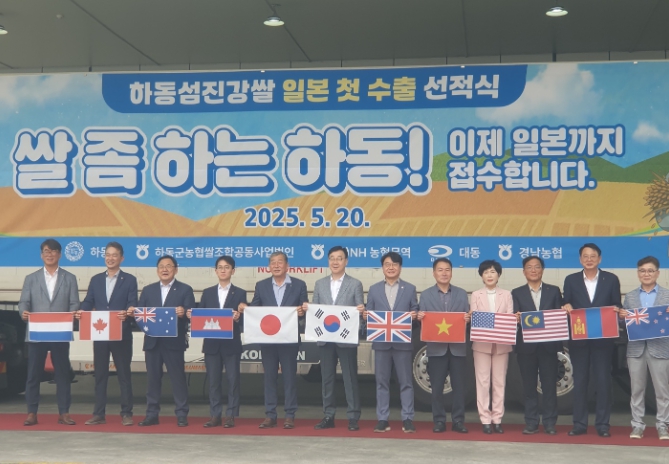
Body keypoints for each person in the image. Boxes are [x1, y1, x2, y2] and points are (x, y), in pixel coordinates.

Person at [239, 251, 308, 429]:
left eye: (280, 262)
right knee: (269, 377)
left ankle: (290, 415)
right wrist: (246, 308)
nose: (276, 265)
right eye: (272, 262)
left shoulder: (299, 285)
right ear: (269, 266)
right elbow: (255, 309)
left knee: (289, 378)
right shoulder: (261, 285)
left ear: (287, 266)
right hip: (268, 340)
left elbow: (304, 308)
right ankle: (270, 414)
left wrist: (302, 311)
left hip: (289, 339)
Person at [128, 255, 195, 427]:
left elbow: (191, 313)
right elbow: (140, 314)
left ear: (176, 269)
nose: (165, 269)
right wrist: (133, 312)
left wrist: (184, 312)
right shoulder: (148, 290)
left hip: (174, 342)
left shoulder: (185, 289)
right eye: (161, 266)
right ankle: (151, 414)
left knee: (178, 379)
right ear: (157, 270)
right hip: (153, 342)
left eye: (168, 266)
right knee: (152, 380)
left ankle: (181, 414)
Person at [19, 238, 80, 426]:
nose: (50, 254)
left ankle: (64, 412)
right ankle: (31, 413)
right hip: (37, 332)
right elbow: (23, 302)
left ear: (59, 254)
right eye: (46, 251)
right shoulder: (31, 278)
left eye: (53, 251)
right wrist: (24, 312)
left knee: (62, 374)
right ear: (41, 255)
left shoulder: (69, 278)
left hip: (60, 332)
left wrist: (73, 314)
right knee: (33, 374)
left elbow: (74, 303)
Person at [562, 243, 621, 438]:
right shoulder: (571, 280)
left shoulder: (611, 279)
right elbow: (566, 302)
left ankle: (603, 425)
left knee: (603, 381)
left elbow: (617, 304)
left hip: (603, 340)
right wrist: (566, 305)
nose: (589, 259)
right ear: (580, 260)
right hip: (579, 340)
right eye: (585, 256)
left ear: (599, 259)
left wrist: (617, 309)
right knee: (580, 381)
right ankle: (579, 424)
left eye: (593, 256)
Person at [76, 241, 138, 426]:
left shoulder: (129, 280)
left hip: (121, 333)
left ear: (121, 258)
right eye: (107, 255)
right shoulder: (96, 279)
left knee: (124, 375)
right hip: (101, 333)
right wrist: (82, 311)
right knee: (100, 374)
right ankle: (98, 413)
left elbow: (132, 303)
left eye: (114, 255)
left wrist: (128, 311)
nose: (110, 258)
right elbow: (89, 301)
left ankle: (126, 413)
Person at [306, 246, 364, 432]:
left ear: (346, 261)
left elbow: (360, 311)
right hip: (326, 338)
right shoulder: (320, 284)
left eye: (339, 258)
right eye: (332, 258)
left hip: (346, 338)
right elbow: (316, 309)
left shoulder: (355, 284)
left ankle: (353, 416)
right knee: (327, 378)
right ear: (328, 261)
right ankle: (328, 415)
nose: (335, 262)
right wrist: (309, 309)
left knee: (350, 378)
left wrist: (361, 313)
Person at [189, 256, 247, 429]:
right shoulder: (207, 292)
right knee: (213, 381)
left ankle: (231, 415)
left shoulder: (240, 293)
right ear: (215, 271)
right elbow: (200, 316)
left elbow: (245, 320)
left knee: (233, 380)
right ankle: (215, 415)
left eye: (227, 267)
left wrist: (238, 317)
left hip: (231, 344)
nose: (223, 270)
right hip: (212, 344)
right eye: (220, 267)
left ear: (233, 271)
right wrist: (192, 315)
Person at [365, 251, 418, 433]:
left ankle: (408, 418)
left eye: (395, 264)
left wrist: (414, 314)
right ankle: (382, 419)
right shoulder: (374, 289)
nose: (391, 267)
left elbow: (415, 309)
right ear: (382, 268)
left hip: (402, 343)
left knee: (406, 382)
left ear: (400, 267)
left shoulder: (409, 288)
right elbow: (369, 311)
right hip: (381, 342)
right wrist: (366, 315)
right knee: (382, 382)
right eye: (387, 264)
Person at [417, 257, 470, 434]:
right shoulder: (426, 295)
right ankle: (439, 420)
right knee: (437, 387)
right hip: (435, 349)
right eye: (440, 270)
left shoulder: (462, 294)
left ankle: (458, 421)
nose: (444, 273)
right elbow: (422, 320)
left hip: (457, 349)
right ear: (434, 273)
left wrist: (467, 318)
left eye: (447, 269)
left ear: (451, 273)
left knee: (459, 387)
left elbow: (466, 317)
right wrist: (420, 317)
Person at [512, 256, 563, 435]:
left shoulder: (553, 291)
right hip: (526, 347)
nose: (533, 270)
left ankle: (549, 422)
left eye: (537, 267)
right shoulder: (516, 293)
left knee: (549, 386)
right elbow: (513, 317)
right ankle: (531, 422)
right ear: (524, 271)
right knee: (529, 387)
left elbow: (559, 317)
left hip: (548, 346)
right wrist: (516, 318)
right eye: (529, 267)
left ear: (542, 270)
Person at [621, 256, 669, 440]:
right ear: (638, 273)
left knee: (662, 391)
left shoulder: (667, 295)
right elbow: (625, 324)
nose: (646, 274)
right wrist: (622, 317)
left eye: (650, 271)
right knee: (636, 390)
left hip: (660, 347)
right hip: (636, 349)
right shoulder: (630, 296)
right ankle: (637, 425)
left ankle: (662, 425)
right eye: (642, 270)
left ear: (657, 273)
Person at [470, 259, 515, 434]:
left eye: (493, 271)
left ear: (499, 275)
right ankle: (485, 419)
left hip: (502, 344)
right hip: (481, 344)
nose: (489, 275)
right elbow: (474, 317)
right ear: (481, 276)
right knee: (482, 382)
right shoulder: (476, 295)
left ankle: (497, 419)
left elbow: (509, 318)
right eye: (486, 272)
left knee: (499, 382)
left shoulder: (507, 294)